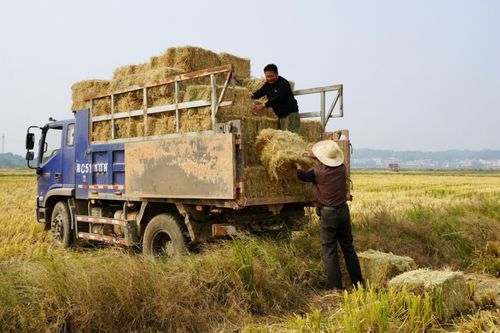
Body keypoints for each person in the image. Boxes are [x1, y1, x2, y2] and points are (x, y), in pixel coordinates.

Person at [295, 140, 363, 290]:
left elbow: (302, 176)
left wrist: (298, 167)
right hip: (343, 212)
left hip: (328, 215)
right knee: (348, 249)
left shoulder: (317, 173)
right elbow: (330, 163)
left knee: (329, 250)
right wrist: (313, 156)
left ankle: (336, 289)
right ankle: (358, 284)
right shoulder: (342, 169)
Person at [251, 64, 300, 133]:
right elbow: (258, 93)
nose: (269, 79)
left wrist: (262, 106)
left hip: (291, 115)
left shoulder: (283, 83)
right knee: (283, 138)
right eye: (267, 76)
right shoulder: (267, 85)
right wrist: (247, 96)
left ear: (277, 74)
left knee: (290, 138)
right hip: (281, 116)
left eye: (271, 76)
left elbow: (278, 98)